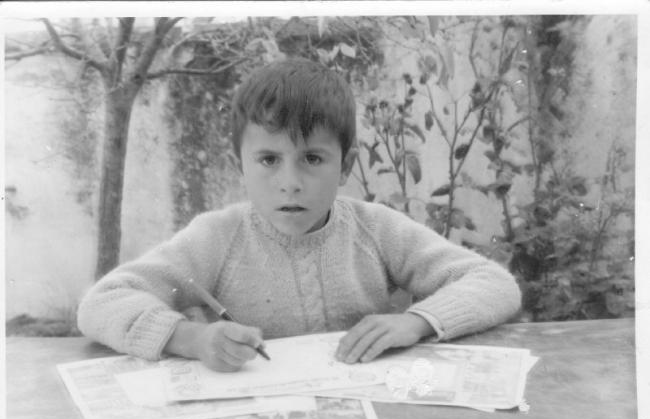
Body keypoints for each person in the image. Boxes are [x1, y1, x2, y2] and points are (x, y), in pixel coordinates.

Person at [77, 58, 521, 373]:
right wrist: (191, 339)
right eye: (269, 159)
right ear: (240, 166)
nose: (290, 182)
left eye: (312, 158)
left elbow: (494, 283)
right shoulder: (217, 237)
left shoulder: (375, 228)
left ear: (345, 166)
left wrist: (415, 322)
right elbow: (103, 302)